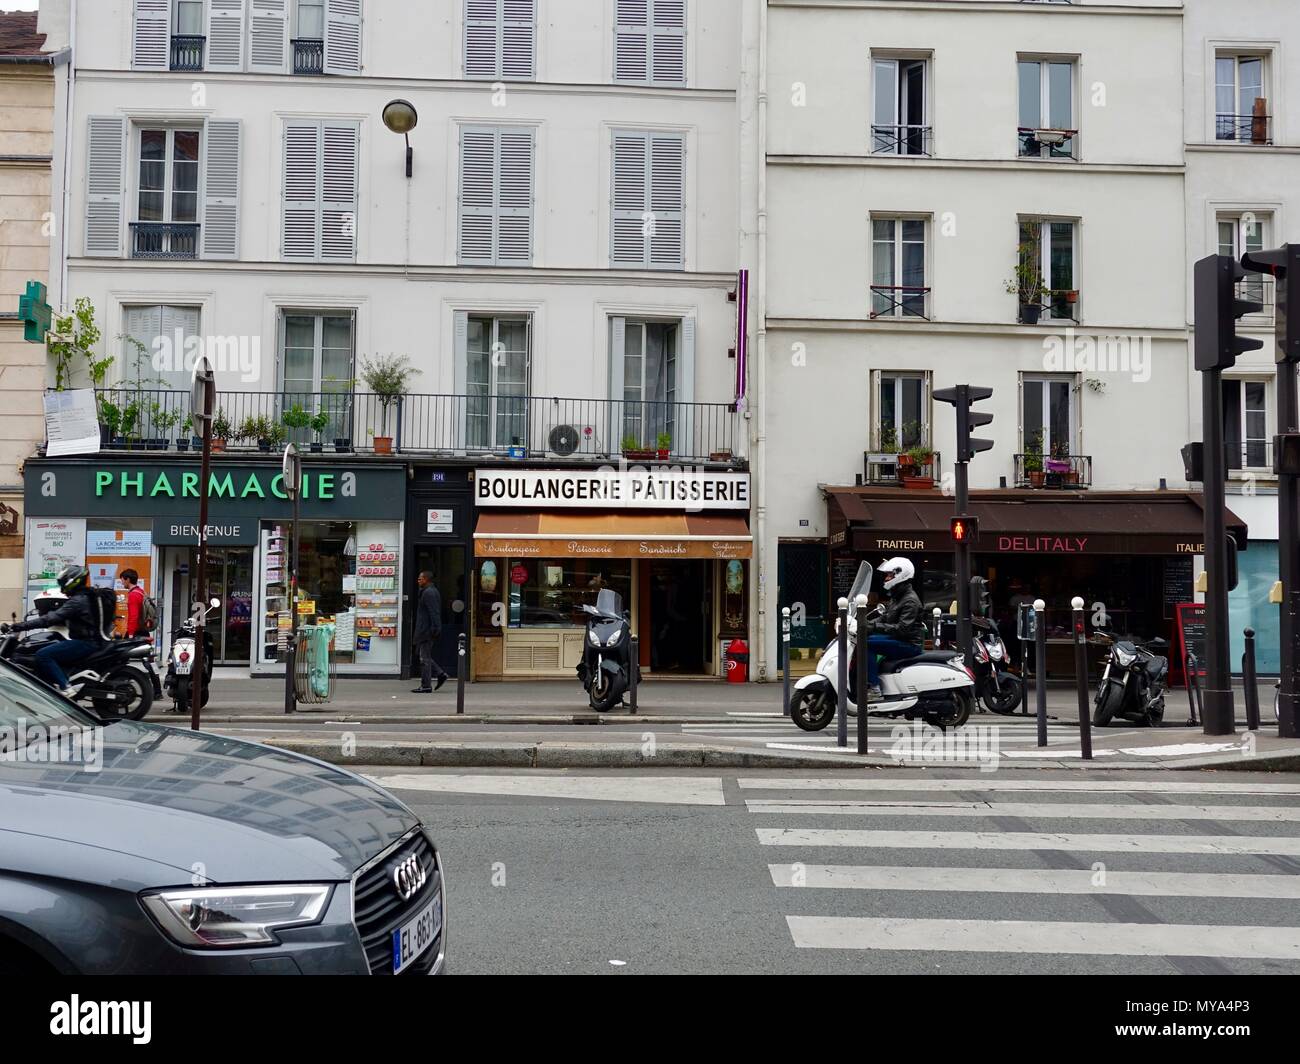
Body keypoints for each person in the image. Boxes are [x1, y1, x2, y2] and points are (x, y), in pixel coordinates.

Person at [1, 565, 108, 697]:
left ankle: (66, 688)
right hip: (91, 640)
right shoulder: (86, 596)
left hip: (86, 642)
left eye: (63, 583)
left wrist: (21, 626)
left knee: (43, 655)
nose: (62, 587)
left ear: (72, 582)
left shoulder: (77, 601)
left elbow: (50, 618)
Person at [863, 557, 926, 700]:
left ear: (900, 575)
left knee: (867, 645)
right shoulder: (897, 596)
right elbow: (884, 618)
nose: (886, 578)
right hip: (899, 639)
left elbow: (902, 629)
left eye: (889, 575)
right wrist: (863, 623)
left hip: (909, 644)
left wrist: (872, 627)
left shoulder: (910, 600)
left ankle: (874, 688)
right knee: (864, 639)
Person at [412, 570, 448, 694]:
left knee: (424, 658)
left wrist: (435, 629)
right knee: (424, 656)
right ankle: (440, 674)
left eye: (420, 579)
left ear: (426, 579)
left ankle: (426, 685)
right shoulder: (426, 591)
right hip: (424, 629)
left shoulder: (429, 593)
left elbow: (434, 612)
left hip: (426, 630)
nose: (418, 581)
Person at [122, 569, 145, 638]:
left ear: (128, 580)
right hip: (143, 630)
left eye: (122, 580)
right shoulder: (141, 592)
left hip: (135, 632)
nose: (122, 583)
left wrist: (131, 634)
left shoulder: (133, 595)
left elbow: (133, 616)